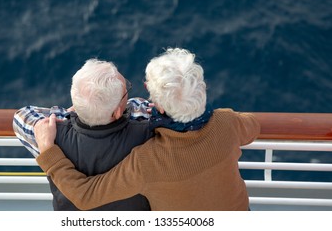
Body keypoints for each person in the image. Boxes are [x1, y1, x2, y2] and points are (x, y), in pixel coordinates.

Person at [34, 48, 261, 211]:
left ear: (158, 105)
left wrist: (48, 152)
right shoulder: (228, 123)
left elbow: (85, 196)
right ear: (202, 89)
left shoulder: (147, 160)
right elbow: (253, 125)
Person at [13, 59, 153, 211]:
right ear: (118, 112)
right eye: (126, 89)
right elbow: (140, 105)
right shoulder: (148, 128)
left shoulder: (50, 138)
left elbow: (21, 117)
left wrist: (75, 110)